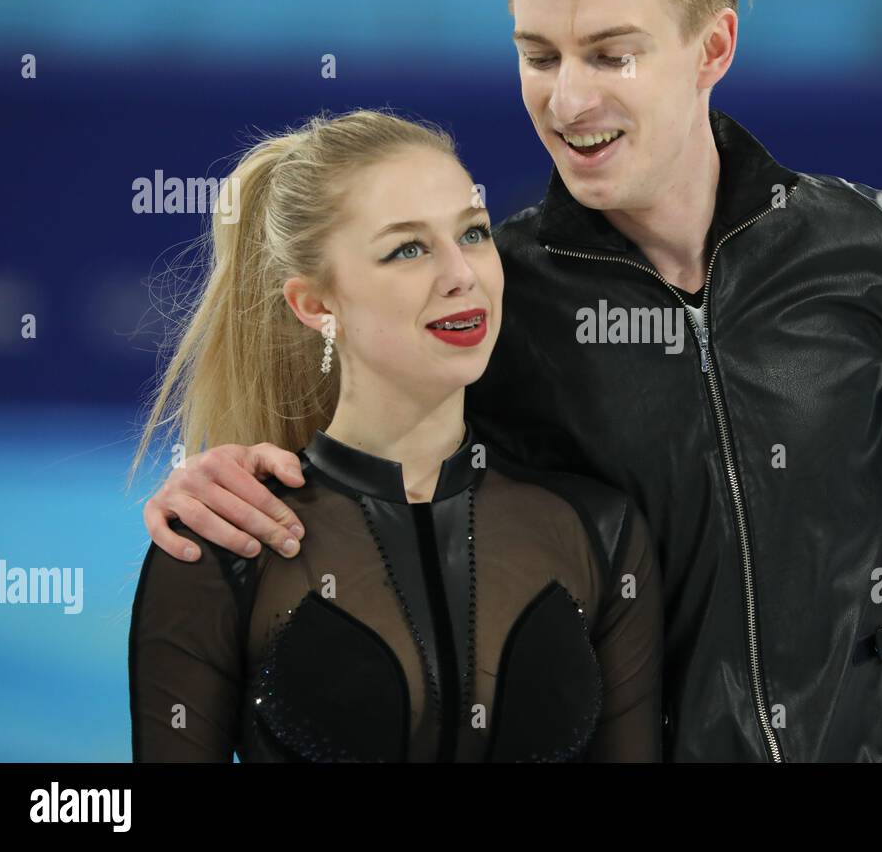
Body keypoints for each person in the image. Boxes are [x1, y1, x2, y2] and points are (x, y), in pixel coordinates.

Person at [140, 0, 882, 762]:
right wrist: (213, 472)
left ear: (712, 49)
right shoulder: (491, 292)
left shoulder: (873, 247)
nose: (568, 99)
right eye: (540, 55)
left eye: (611, 53)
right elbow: (337, 464)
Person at [128, 109, 663, 762]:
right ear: (317, 304)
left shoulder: (597, 531)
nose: (460, 273)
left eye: (472, 233)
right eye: (408, 248)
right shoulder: (229, 540)